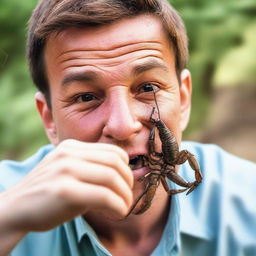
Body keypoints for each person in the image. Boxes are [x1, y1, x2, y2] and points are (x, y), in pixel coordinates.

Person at [0, 0, 255, 255]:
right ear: (50, 120)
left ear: (184, 100)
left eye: (148, 88)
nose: (122, 126)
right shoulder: (7, 197)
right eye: (86, 97)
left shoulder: (246, 198)